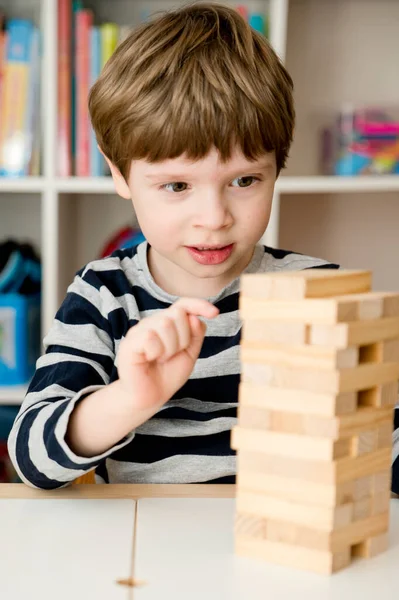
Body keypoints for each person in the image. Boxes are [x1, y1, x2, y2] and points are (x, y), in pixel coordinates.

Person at [8, 2, 341, 489]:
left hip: (281, 544)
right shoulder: (104, 294)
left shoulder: (319, 292)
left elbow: (381, 432)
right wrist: (132, 398)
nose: (214, 219)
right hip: (143, 549)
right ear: (120, 174)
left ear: (277, 166)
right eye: (177, 187)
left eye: (245, 180)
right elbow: (31, 459)